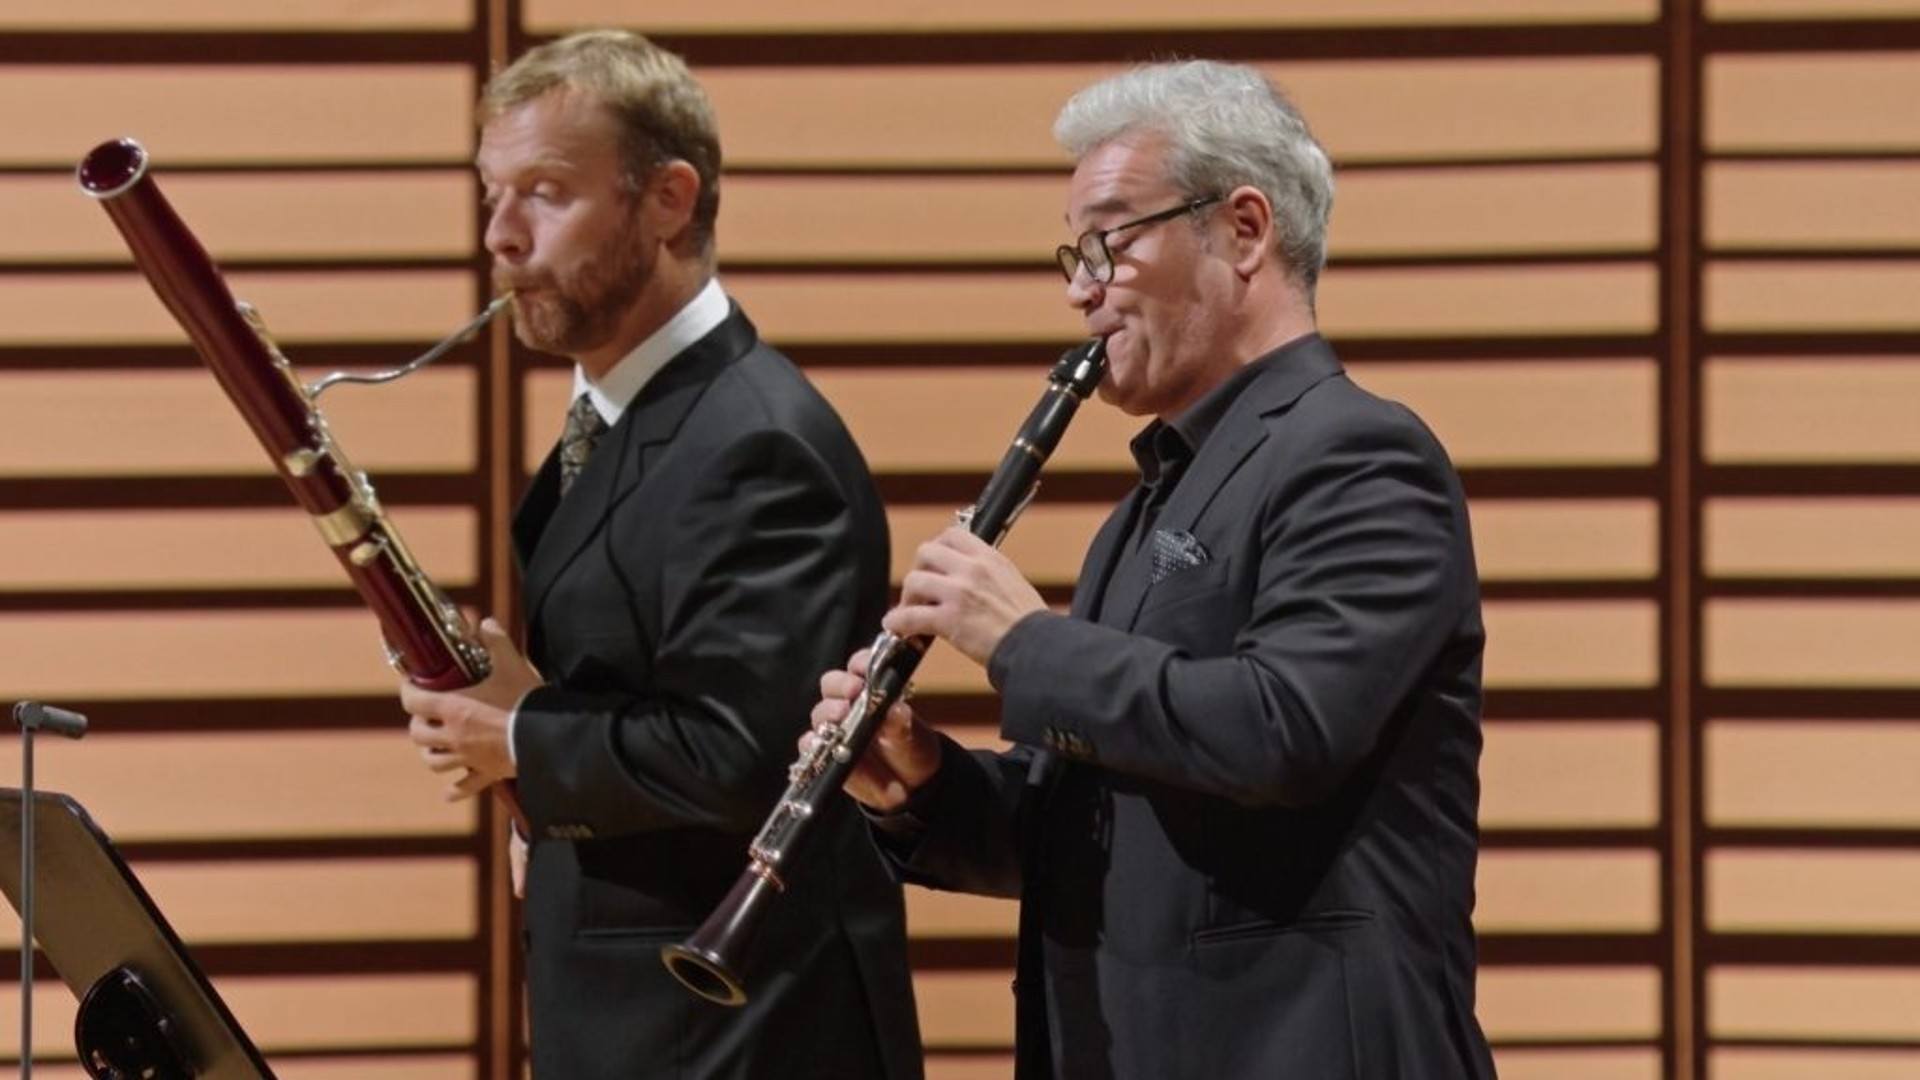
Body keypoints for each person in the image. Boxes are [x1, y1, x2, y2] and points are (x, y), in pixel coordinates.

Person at [814, 60, 1496, 1078]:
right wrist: (926, 787)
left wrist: (1025, 642)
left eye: (1112, 241)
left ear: (1245, 230)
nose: (1082, 286)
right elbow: (1107, 826)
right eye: (1072, 253)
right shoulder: (1147, 509)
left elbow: (1283, 728)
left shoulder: (1358, 453)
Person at [398, 30, 921, 1080]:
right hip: (650, 1013)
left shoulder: (758, 443)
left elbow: (745, 755)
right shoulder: (621, 419)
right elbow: (648, 687)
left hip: (744, 1027)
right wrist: (525, 709)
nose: (500, 235)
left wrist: (523, 739)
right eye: (491, 195)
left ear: (669, 199)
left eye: (544, 193)